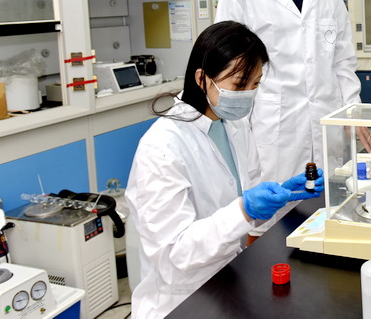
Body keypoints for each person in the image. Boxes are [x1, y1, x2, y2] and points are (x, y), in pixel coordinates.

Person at [125, 21, 324, 319]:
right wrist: (244, 210)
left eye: (255, 84)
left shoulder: (233, 125)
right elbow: (175, 254)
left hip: (227, 277)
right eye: (239, 84)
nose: (248, 94)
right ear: (202, 78)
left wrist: (281, 196)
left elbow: (246, 198)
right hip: (181, 299)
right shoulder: (162, 147)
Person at [215, 0, 371, 224]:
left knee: (332, 214)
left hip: (327, 124)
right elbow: (229, 72)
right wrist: (238, 139)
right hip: (274, 129)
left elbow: (343, 60)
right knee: (275, 222)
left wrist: (352, 111)